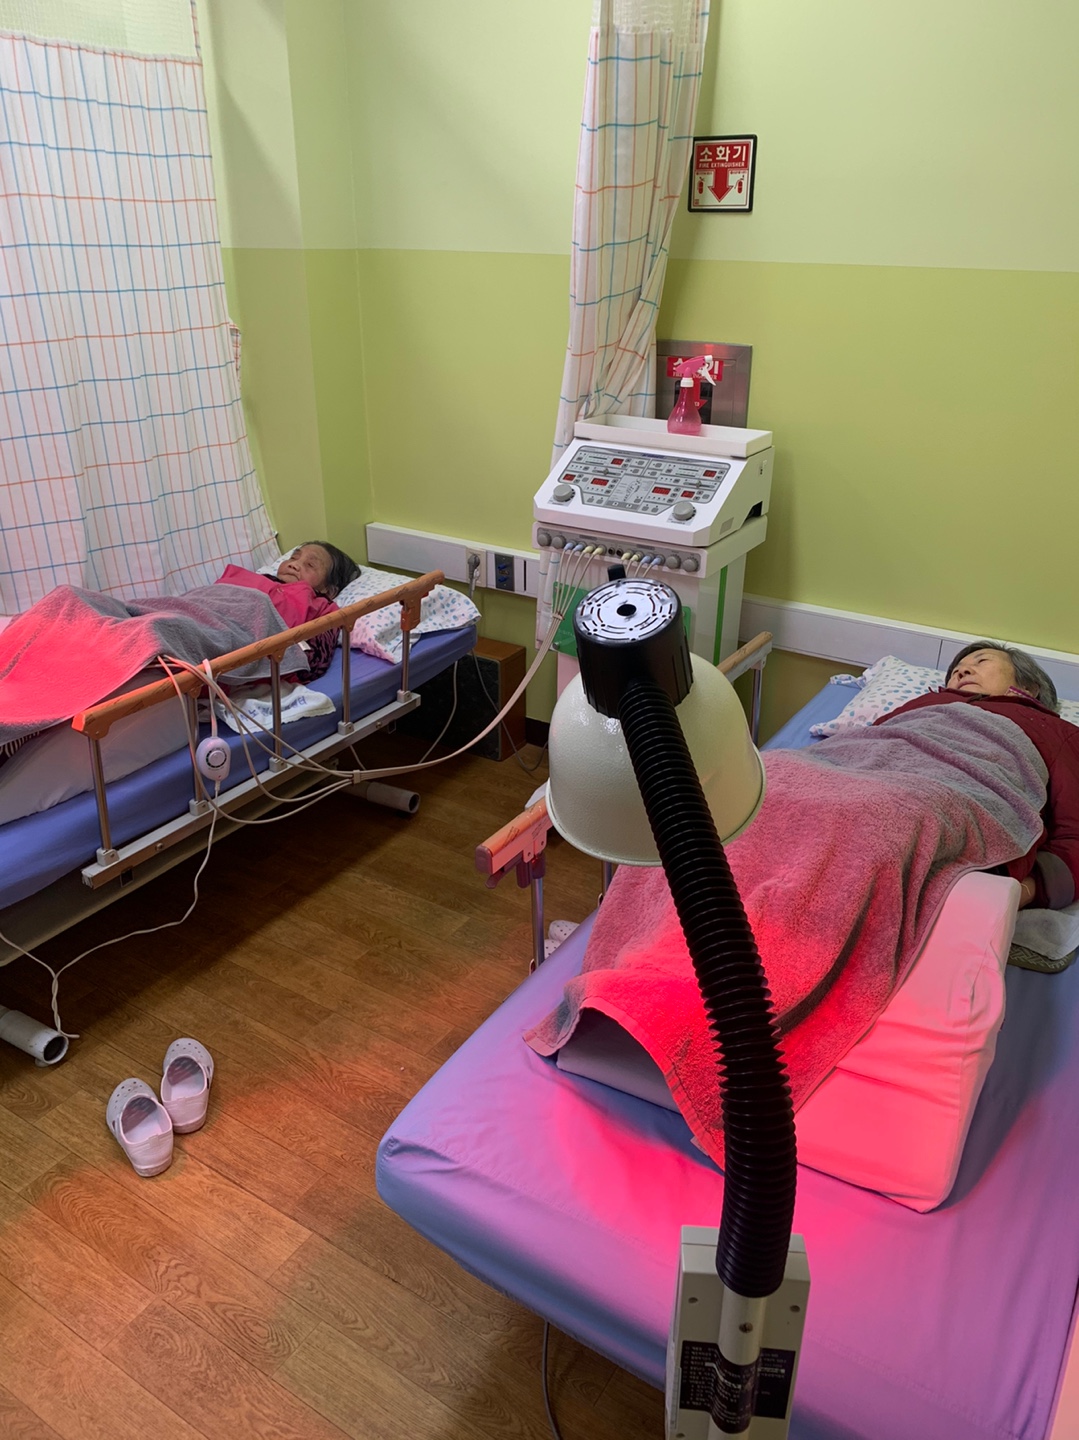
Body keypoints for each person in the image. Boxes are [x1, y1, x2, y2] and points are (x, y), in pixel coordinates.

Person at [876, 643, 1079, 910]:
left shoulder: (1055, 730)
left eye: (981, 661)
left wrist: (1024, 891)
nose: (962, 671)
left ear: (1029, 687)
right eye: (956, 670)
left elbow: (1073, 829)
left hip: (949, 800)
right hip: (861, 777)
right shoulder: (917, 706)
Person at [216, 540, 361, 681]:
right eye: (293, 557)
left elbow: (312, 662)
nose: (293, 564)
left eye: (310, 565)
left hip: (230, 642)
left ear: (329, 590)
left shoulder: (322, 606)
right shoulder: (255, 578)